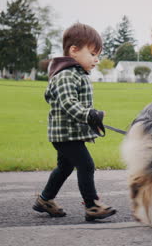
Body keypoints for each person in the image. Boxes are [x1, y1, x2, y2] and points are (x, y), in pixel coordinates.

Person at [33, 23, 116, 221]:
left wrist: (92, 119)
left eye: (98, 55)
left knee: (65, 168)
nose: (96, 60)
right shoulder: (66, 75)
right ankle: (92, 205)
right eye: (93, 54)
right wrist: (89, 115)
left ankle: (45, 199)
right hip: (65, 134)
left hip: (69, 132)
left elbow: (78, 105)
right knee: (86, 165)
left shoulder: (76, 73)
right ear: (74, 51)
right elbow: (68, 103)